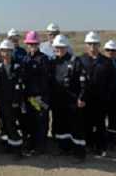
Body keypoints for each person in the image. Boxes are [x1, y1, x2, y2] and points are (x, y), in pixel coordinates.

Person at [49, 35, 88, 163]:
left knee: (76, 127)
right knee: (61, 125)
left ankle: (79, 153)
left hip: (73, 101)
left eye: (62, 47)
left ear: (66, 47)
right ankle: (63, 148)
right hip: (58, 101)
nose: (59, 49)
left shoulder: (75, 61)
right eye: (57, 47)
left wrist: (81, 97)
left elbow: (83, 82)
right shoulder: (53, 62)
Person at [80, 31, 116, 157]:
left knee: (100, 124)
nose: (92, 47)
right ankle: (88, 145)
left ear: (99, 45)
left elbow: (112, 81)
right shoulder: (81, 60)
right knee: (86, 123)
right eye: (90, 44)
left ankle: (101, 147)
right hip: (86, 99)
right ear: (86, 45)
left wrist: (108, 97)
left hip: (101, 99)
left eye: (95, 44)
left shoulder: (107, 62)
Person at [0, 39, 25, 159]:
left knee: (12, 125)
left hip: (13, 102)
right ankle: (7, 146)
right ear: (0, 52)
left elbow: (20, 85)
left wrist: (16, 101)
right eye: (3, 51)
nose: (6, 53)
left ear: (12, 52)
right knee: (3, 124)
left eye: (8, 51)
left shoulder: (17, 67)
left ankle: (18, 150)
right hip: (2, 102)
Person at [22, 31, 50, 156]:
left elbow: (46, 80)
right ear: (27, 44)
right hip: (28, 96)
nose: (32, 46)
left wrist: (40, 97)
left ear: (38, 44)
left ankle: (41, 146)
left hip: (39, 97)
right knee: (30, 120)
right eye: (30, 44)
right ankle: (31, 143)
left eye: (34, 44)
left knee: (41, 120)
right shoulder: (25, 58)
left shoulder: (43, 59)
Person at [103, 40, 116, 150]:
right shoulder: (100, 64)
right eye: (108, 50)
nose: (110, 52)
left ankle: (112, 143)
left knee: (114, 123)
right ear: (104, 51)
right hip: (102, 98)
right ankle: (100, 142)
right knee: (100, 121)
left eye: (113, 50)